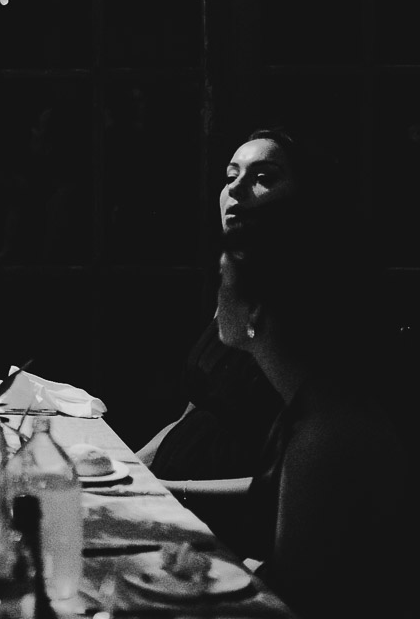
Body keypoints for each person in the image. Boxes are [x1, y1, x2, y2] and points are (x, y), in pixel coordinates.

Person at [216, 204, 406, 617]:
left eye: (222, 282)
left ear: (255, 309)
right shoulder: (318, 397)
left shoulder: (326, 432)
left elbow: (295, 598)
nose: (215, 303)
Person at [136, 129, 310, 538]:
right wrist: (129, 468)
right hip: (169, 501)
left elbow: (281, 482)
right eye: (231, 175)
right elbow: (194, 412)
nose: (236, 188)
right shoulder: (235, 285)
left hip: (229, 526)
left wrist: (164, 491)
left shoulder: (303, 311)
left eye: (263, 177)